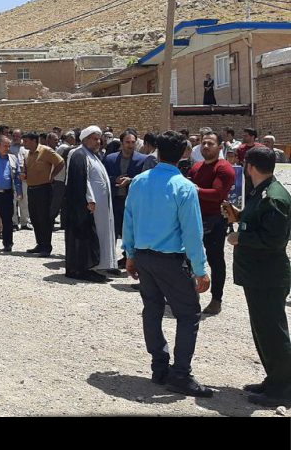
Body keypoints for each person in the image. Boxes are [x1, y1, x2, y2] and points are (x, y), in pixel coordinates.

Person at [124, 130, 212, 398]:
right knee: (188, 314)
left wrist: (130, 254)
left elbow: (128, 219)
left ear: (158, 152)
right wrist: (201, 270)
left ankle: (159, 367)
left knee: (152, 308)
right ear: (184, 153)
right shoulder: (184, 187)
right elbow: (192, 233)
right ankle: (181, 374)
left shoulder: (138, 181)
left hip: (144, 256)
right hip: (171, 260)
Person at [227, 147, 291, 407]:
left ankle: (283, 388)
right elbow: (258, 222)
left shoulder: (274, 197)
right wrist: (239, 217)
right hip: (257, 275)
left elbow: (273, 240)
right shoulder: (261, 192)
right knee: (263, 331)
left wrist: (239, 237)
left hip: (268, 276)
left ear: (250, 166)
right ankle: (274, 379)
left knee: (273, 334)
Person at [188, 131, 236, 316]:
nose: (206, 146)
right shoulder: (197, 167)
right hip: (194, 219)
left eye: (210, 143)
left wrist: (194, 189)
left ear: (220, 147)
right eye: (203, 143)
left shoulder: (224, 168)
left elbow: (217, 195)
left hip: (214, 221)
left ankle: (216, 299)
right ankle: (189, 295)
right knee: (188, 258)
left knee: (215, 260)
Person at [63, 126, 114, 282]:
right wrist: (89, 199)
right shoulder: (79, 154)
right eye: (94, 138)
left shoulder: (93, 155)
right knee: (87, 237)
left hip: (99, 208)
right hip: (88, 208)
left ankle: (96, 265)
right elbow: (80, 180)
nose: (98, 141)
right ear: (85, 139)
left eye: (99, 139)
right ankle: (84, 268)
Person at [103, 130, 149, 268]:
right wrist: (114, 179)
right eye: (127, 142)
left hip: (132, 202)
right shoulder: (110, 159)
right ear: (121, 143)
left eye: (133, 142)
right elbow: (103, 178)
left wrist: (131, 180)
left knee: (130, 232)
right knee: (112, 231)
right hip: (114, 200)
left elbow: (146, 179)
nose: (130, 145)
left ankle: (128, 258)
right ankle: (109, 261)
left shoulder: (143, 159)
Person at [22, 131, 64, 258]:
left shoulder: (45, 151)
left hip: (44, 189)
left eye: (26, 141)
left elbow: (60, 162)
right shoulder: (27, 154)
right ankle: (39, 244)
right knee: (34, 218)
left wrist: (52, 176)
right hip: (31, 189)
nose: (24, 144)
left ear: (34, 141)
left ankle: (46, 246)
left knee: (44, 219)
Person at [10, 129, 31, 231]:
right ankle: (14, 222)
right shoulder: (9, 147)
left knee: (25, 200)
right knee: (13, 201)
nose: (15, 138)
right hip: (13, 177)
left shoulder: (26, 148)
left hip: (24, 178)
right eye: (14, 136)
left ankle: (25, 222)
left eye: (17, 136)